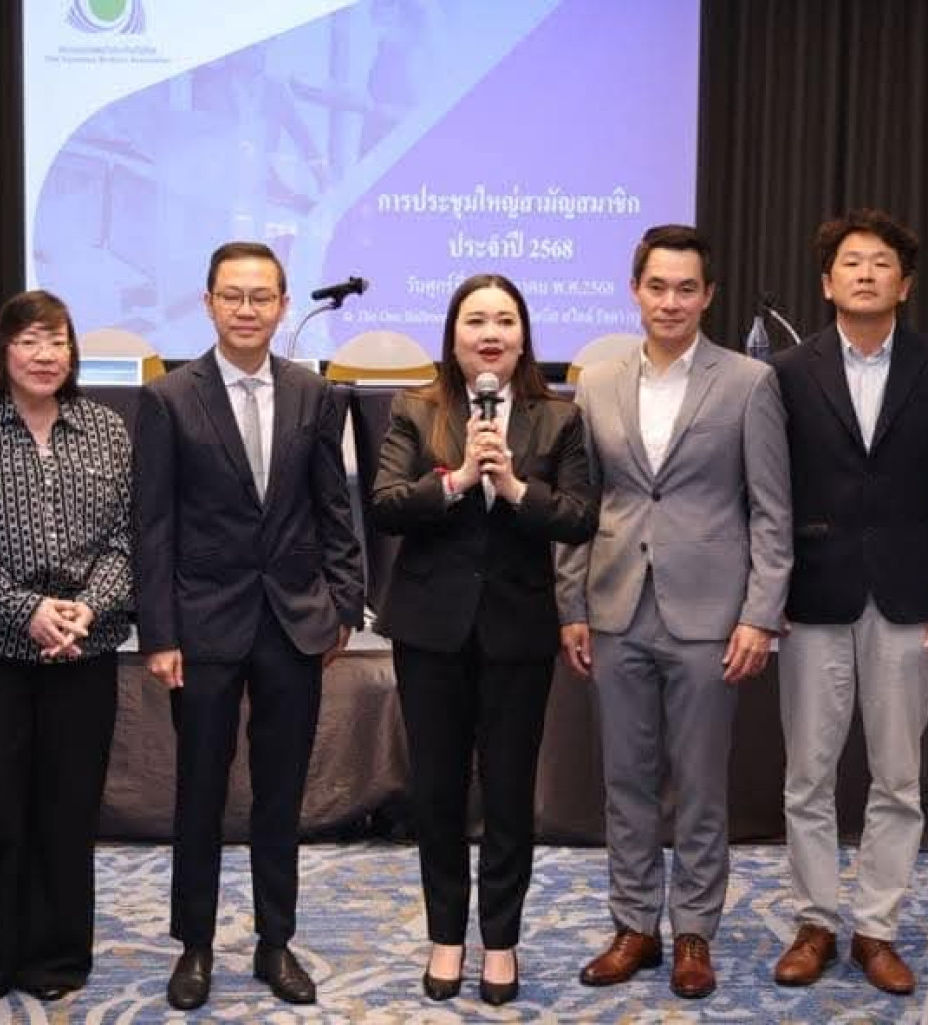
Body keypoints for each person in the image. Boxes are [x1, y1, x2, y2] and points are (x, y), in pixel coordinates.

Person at [555, 224, 792, 999]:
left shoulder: (749, 382)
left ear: (708, 295)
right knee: (624, 777)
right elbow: (579, 506)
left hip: (711, 614)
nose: (670, 301)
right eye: (657, 286)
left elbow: (772, 511)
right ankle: (633, 925)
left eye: (686, 288)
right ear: (635, 290)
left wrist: (760, 613)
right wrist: (571, 602)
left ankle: (694, 930)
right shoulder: (596, 383)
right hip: (616, 603)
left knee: (699, 782)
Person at [135, 241, 365, 1010]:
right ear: (208, 303)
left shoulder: (314, 393)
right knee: (199, 791)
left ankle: (276, 939)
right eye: (232, 295)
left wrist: (343, 606)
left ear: (282, 304)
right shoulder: (169, 398)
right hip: (202, 625)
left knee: (281, 791)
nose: (246, 309)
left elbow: (335, 508)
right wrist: (158, 632)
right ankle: (195, 944)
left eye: (261, 296)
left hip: (293, 623)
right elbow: (153, 525)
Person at [770, 210, 928, 996]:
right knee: (808, 774)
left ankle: (876, 927)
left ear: (905, 283)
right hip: (812, 596)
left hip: (909, 597)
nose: (866, 273)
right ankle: (814, 921)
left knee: (898, 776)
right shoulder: (787, 373)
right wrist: (767, 590)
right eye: (851, 262)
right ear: (827, 282)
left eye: (881, 262)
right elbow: (767, 491)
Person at [370, 273, 595, 1006]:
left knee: (507, 791)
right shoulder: (416, 409)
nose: (490, 334)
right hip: (430, 628)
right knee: (436, 790)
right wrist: (462, 478)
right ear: (454, 334)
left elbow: (579, 516)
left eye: (504, 320)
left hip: (517, 629)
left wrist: (518, 489)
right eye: (475, 321)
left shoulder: (557, 418)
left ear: (523, 336)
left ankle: (500, 940)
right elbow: (387, 505)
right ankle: (445, 936)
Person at [0, 290, 134, 1005]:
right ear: (2, 349)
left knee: (68, 807)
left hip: (83, 647)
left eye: (58, 341)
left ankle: (57, 954)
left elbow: (129, 537)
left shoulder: (106, 428)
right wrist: (26, 611)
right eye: (30, 341)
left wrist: (86, 608)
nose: (46, 355)